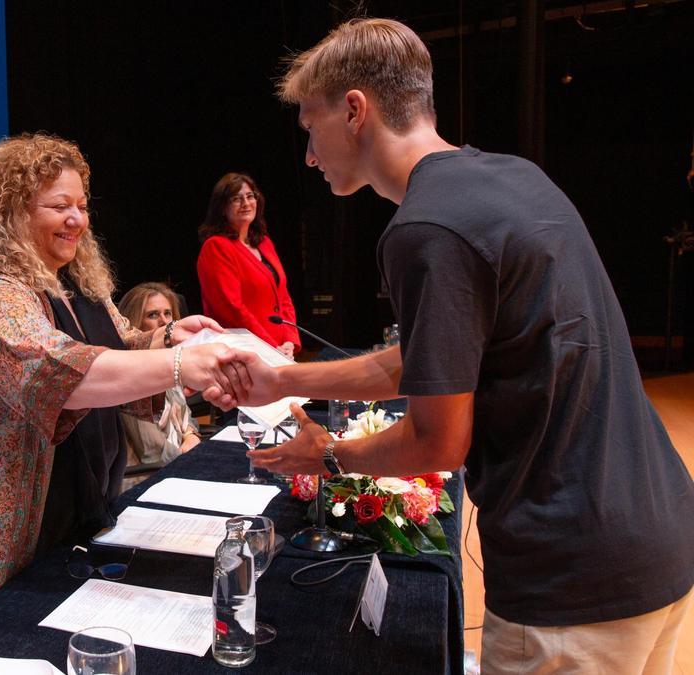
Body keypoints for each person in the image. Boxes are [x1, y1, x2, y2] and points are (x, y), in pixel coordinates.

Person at [206, 18, 694, 674]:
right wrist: (289, 381)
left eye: (309, 128)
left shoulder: (425, 228)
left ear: (355, 109)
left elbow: (438, 442)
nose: (310, 156)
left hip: (571, 574)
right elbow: (435, 358)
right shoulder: (511, 179)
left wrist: (327, 454)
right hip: (660, 533)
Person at [0, 133, 245, 616]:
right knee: (6, 632)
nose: (77, 219)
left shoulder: (74, 281)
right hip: (10, 508)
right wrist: (183, 366)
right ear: (11, 211)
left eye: (81, 204)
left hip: (83, 495)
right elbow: (61, 374)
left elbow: (120, 344)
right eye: (59, 206)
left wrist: (168, 339)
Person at [196, 172, 301, 358]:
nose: (246, 203)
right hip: (244, 350)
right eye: (236, 199)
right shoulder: (216, 247)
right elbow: (231, 309)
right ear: (222, 208)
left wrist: (289, 341)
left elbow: (283, 297)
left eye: (250, 196)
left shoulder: (264, 243)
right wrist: (269, 346)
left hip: (279, 350)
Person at [116, 282, 201, 466]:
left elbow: (188, 418)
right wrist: (196, 458)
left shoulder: (171, 363)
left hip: (178, 463)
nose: (164, 321)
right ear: (134, 323)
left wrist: (190, 435)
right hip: (147, 478)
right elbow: (153, 453)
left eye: (168, 313)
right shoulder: (132, 378)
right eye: (153, 315)